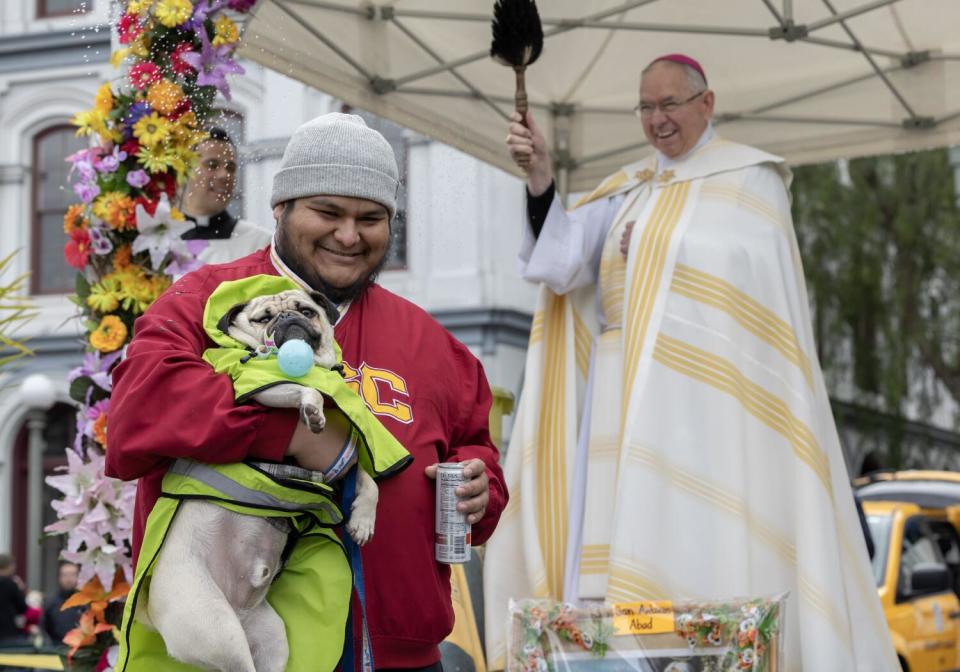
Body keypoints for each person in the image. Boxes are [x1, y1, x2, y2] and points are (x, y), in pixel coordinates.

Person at [484, 54, 898, 670]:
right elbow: (562, 260)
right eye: (646, 107)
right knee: (609, 576)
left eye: (670, 104)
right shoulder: (629, 188)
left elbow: (748, 279)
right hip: (618, 397)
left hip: (706, 402)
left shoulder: (750, 181)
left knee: (703, 561)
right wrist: (543, 179)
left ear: (706, 104)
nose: (657, 119)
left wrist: (653, 246)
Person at [106, 113, 507, 671]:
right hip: (241, 650)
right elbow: (136, 417)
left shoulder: (435, 346)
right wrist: (291, 432)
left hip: (401, 657)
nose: (349, 235)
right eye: (327, 212)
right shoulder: (204, 301)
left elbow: (474, 451)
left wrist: (479, 488)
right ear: (280, 210)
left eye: (371, 218)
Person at [179, 127, 273, 266]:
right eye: (212, 165)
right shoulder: (155, 241)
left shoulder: (261, 245)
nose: (224, 175)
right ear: (185, 169)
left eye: (231, 168)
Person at [42, 562, 82, 644]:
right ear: (59, 578)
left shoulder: (86, 603)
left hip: (81, 650)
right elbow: (44, 629)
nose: (69, 579)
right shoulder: (50, 603)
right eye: (65, 575)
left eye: (72, 575)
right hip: (55, 650)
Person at [0, 554, 26, 645]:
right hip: (8, 632)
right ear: (9, 566)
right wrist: (21, 589)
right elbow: (23, 607)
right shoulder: (11, 584)